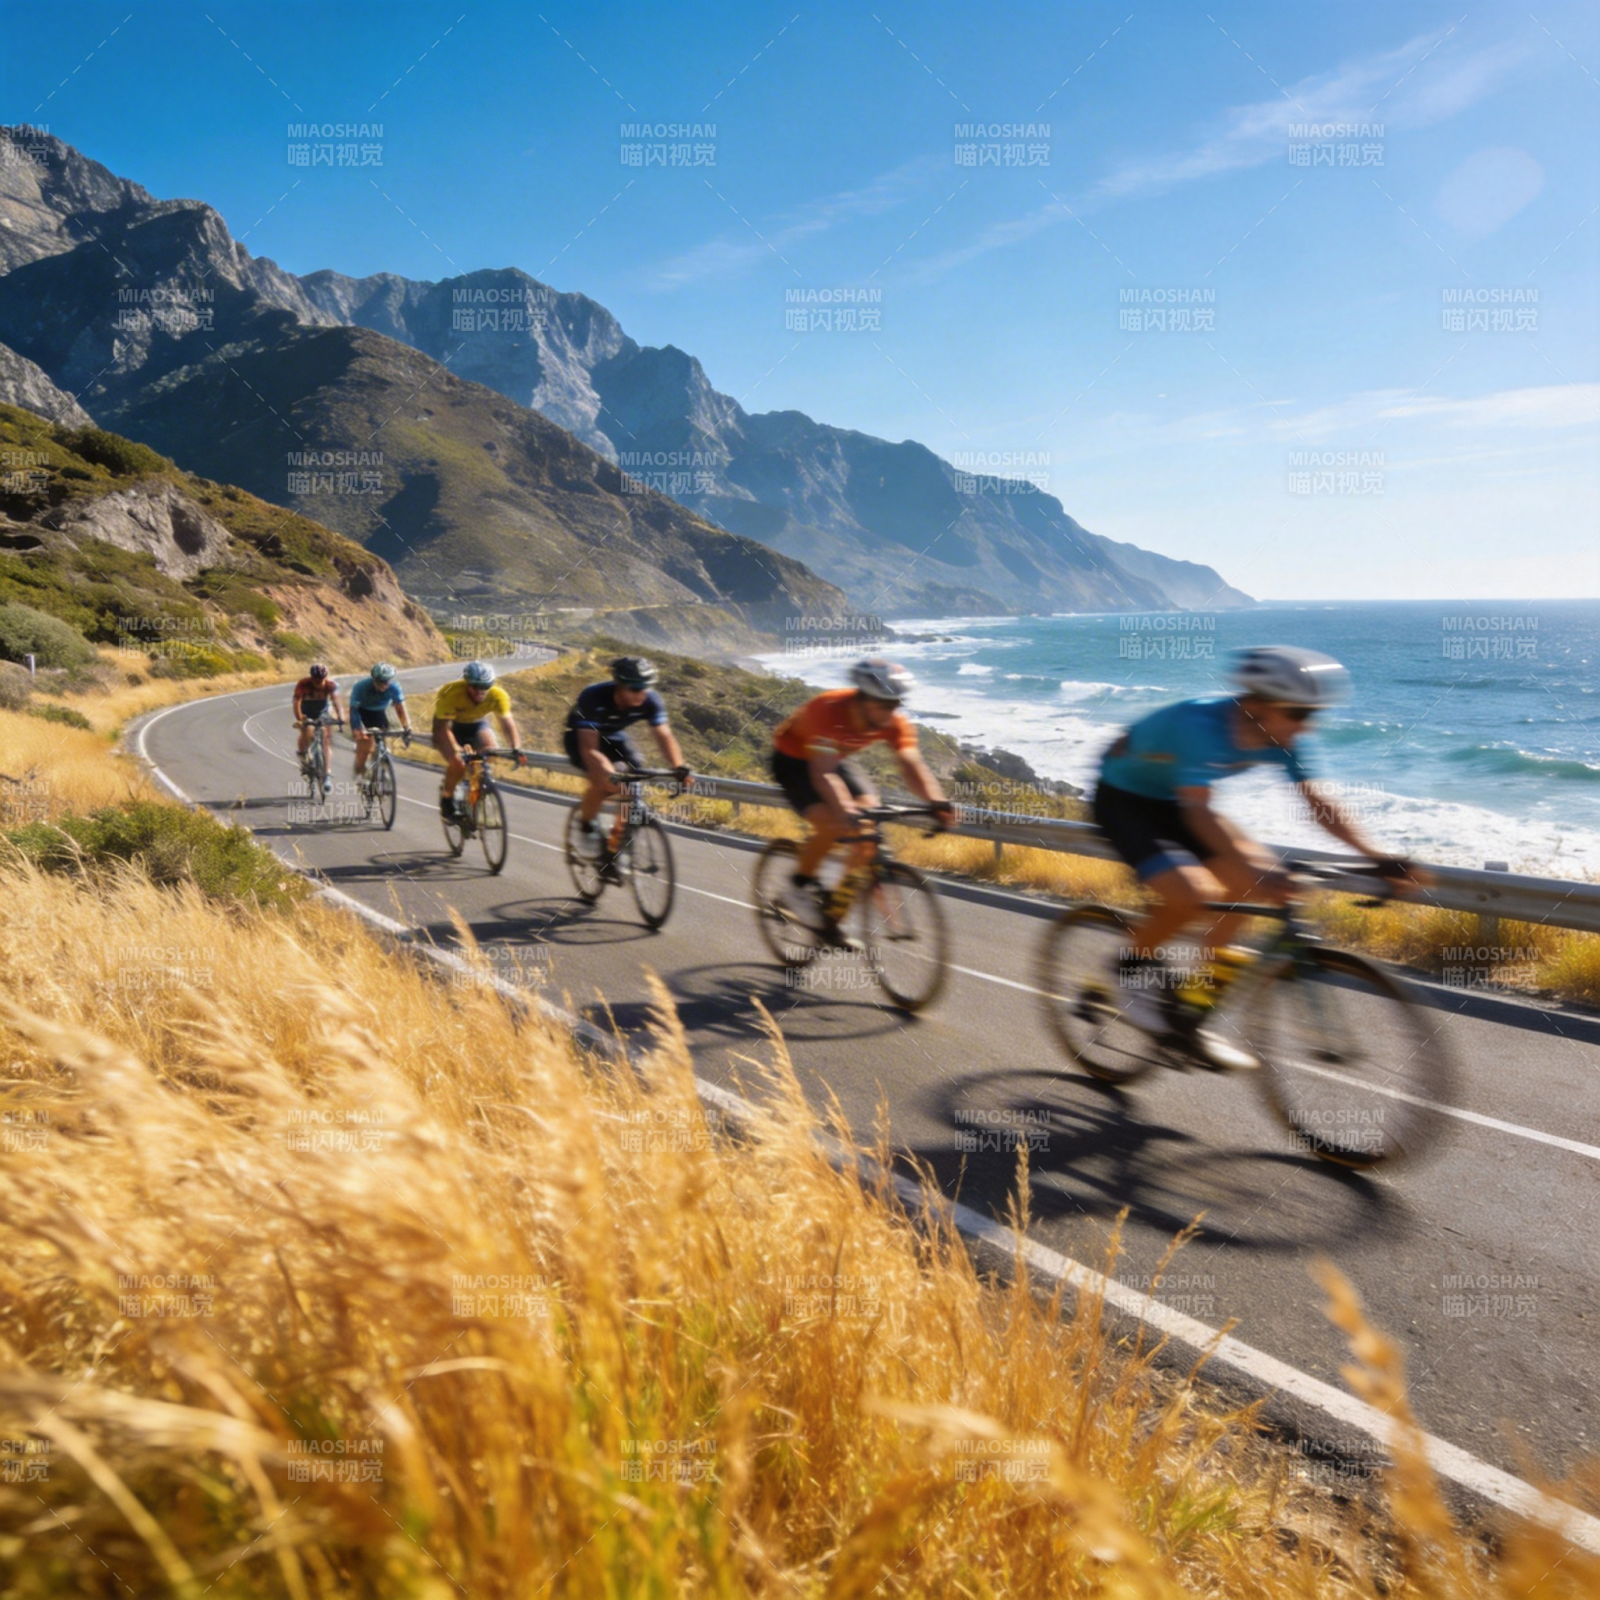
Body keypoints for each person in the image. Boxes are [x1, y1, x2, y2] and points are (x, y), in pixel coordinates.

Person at [1092, 644, 1424, 1068]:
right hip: (1125, 799)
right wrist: (1252, 869)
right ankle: (1127, 972)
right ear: (1257, 705)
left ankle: (1190, 1017)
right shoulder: (1201, 725)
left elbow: (1317, 802)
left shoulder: (1281, 736)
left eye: (1313, 715)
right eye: (1300, 714)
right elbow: (1198, 812)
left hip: (1177, 800)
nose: (1307, 727)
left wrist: (1377, 856)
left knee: (1248, 890)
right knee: (1191, 894)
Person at [770, 658, 953, 931]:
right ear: (863, 698)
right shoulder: (828, 710)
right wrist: (844, 809)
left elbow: (911, 764)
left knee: (868, 824)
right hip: (794, 761)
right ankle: (797, 888)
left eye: (896, 704)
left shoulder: (893, 723)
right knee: (832, 824)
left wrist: (937, 802)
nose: (891, 711)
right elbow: (822, 775)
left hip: (835, 759)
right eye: (884, 704)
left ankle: (834, 909)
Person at [563, 657, 691, 874]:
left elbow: (664, 735)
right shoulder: (593, 697)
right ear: (619, 685)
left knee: (634, 782)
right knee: (604, 783)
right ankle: (586, 826)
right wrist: (608, 773)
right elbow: (590, 750)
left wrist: (679, 766)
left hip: (614, 736)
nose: (641, 693)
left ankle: (616, 846)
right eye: (634, 688)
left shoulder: (650, 700)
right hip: (581, 739)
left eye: (645, 687)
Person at [431, 660, 526, 820]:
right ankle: (447, 798)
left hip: (476, 725)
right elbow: (443, 728)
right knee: (458, 762)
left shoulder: (498, 696)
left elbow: (507, 723)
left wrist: (516, 747)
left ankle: (472, 788)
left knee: (492, 751)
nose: (480, 692)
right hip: (448, 727)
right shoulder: (451, 692)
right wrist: (456, 748)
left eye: (485, 688)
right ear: (467, 683)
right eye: (475, 687)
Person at [347, 662, 412, 777]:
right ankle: (360, 768)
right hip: (362, 713)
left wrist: (406, 727)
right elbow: (354, 711)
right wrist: (356, 729)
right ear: (374, 680)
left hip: (380, 713)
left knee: (382, 740)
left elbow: (400, 708)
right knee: (366, 744)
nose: (383, 686)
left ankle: (381, 763)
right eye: (379, 682)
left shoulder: (394, 688)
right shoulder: (360, 687)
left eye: (386, 682)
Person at [292, 664, 342, 793]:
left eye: (321, 680)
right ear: (311, 678)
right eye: (316, 681)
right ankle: (303, 754)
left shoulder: (330, 685)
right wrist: (300, 719)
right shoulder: (303, 684)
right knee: (306, 732)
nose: (318, 683)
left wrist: (340, 718)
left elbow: (336, 702)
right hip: (306, 711)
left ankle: (327, 774)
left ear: (326, 677)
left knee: (326, 739)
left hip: (322, 712)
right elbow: (297, 701)